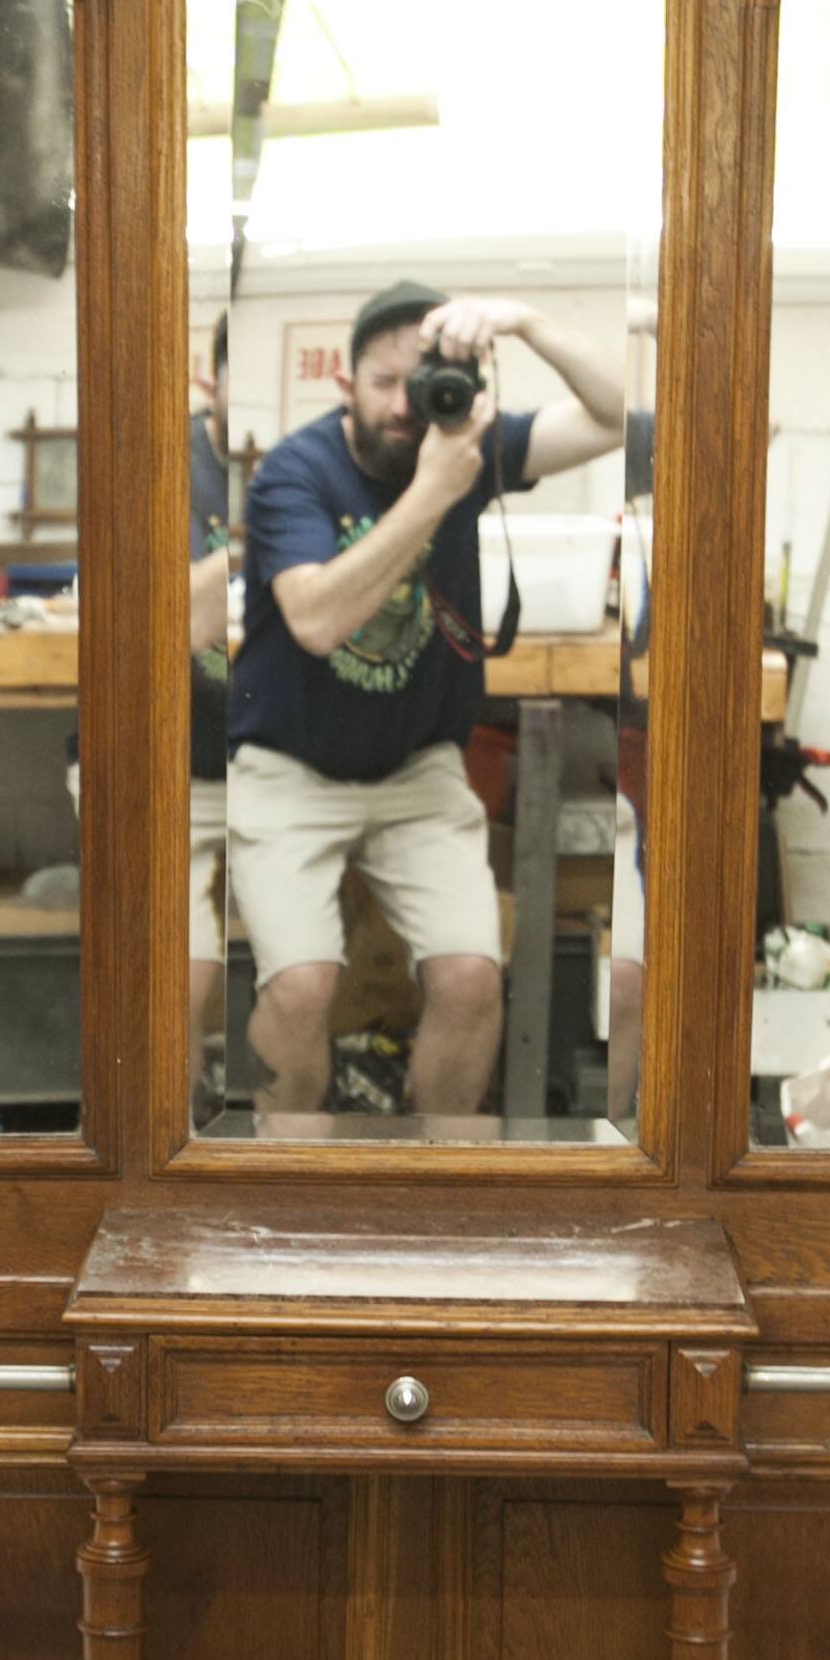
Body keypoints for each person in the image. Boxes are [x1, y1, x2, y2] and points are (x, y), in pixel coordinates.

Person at [226, 278, 623, 1119]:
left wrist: (526, 318)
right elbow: (317, 620)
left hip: (416, 771)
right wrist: (438, 489)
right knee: (300, 988)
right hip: (288, 771)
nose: (405, 403)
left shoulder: (464, 441)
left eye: (425, 382)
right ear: (345, 385)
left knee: (472, 978)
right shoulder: (295, 474)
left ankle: (432, 1173)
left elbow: (617, 416)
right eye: (383, 381)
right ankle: (282, 1179)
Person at [186, 316, 233, 1106]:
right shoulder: (163, 462)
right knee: (176, 954)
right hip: (169, 758)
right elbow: (158, 622)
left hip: (287, 763)